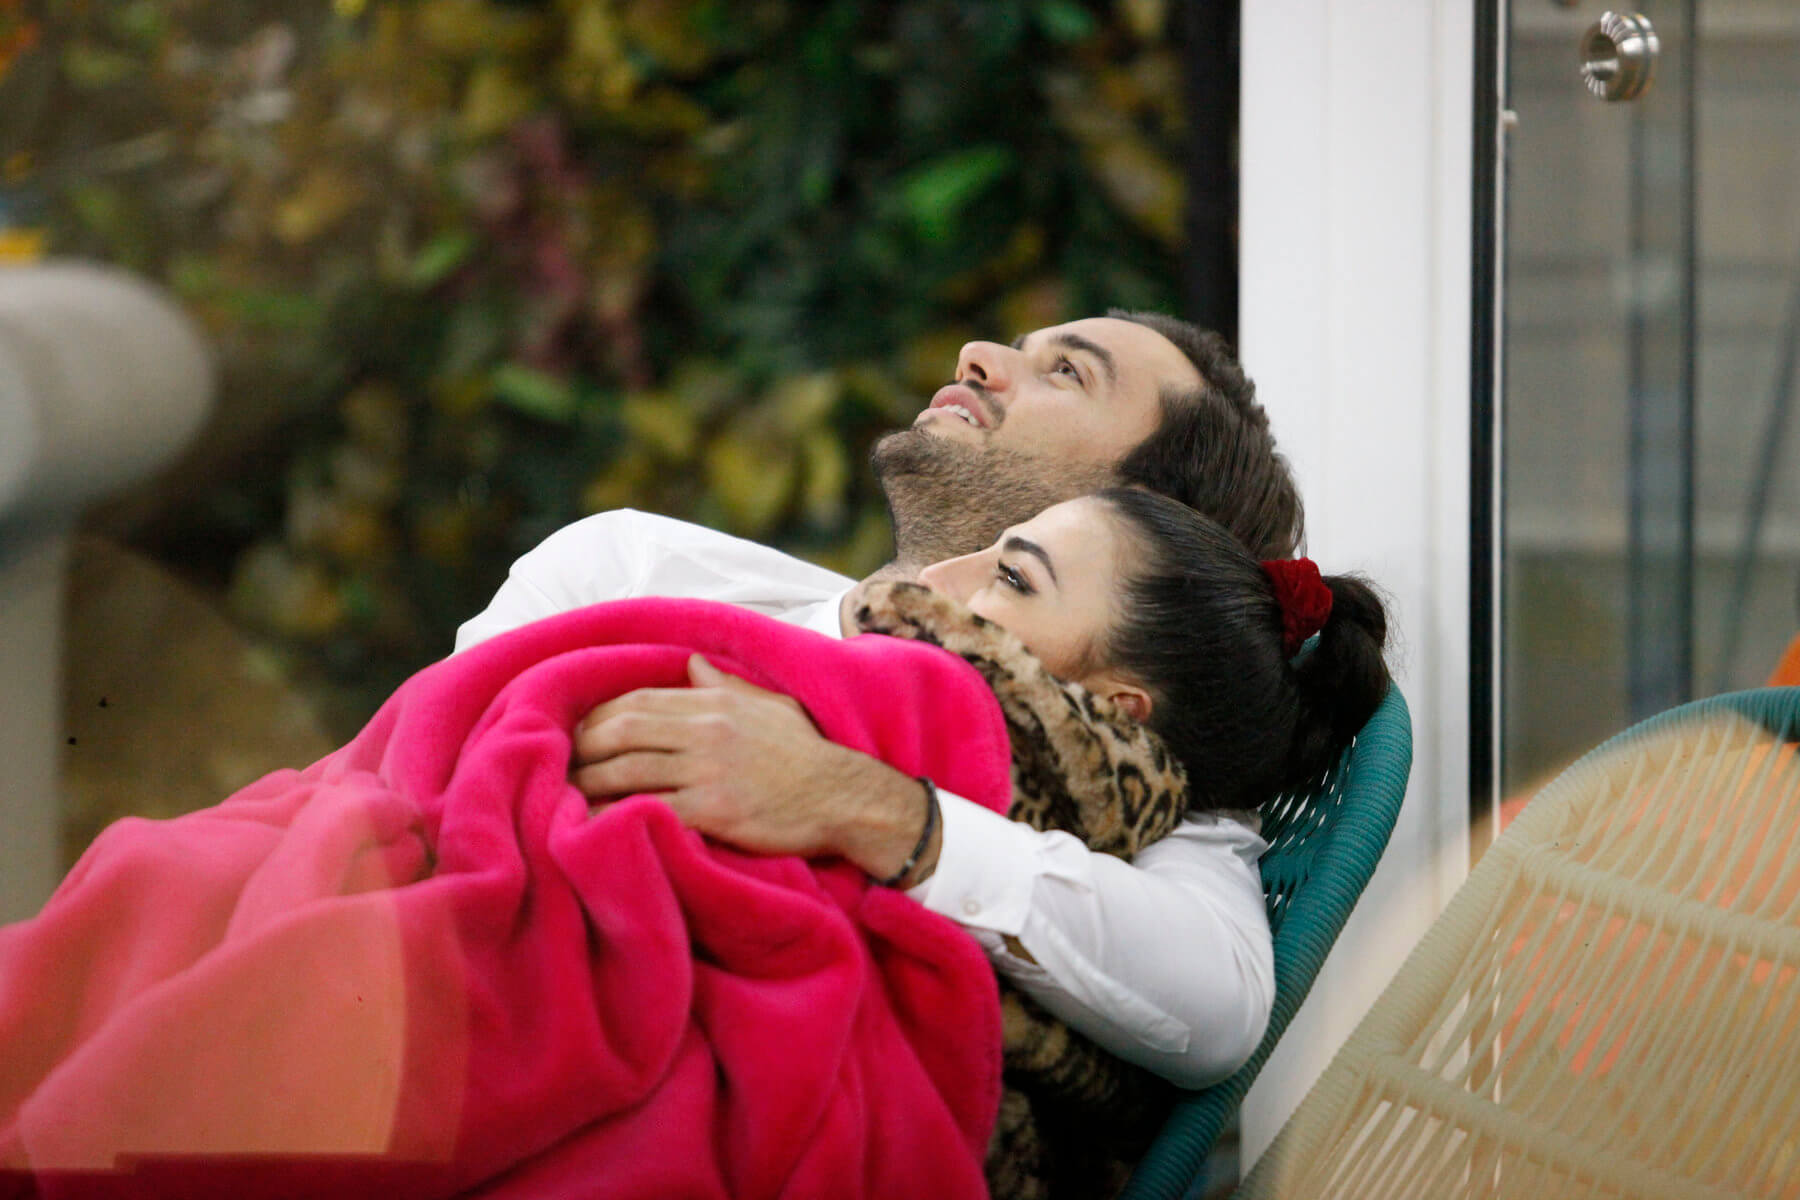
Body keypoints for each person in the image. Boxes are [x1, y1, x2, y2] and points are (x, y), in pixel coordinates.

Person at [454, 311, 1308, 1088]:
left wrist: (857, 805)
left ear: (1147, 520)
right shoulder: (630, 567)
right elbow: (431, 798)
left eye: (1067, 372)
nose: (977, 355)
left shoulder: (1137, 779)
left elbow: (1218, 1008)